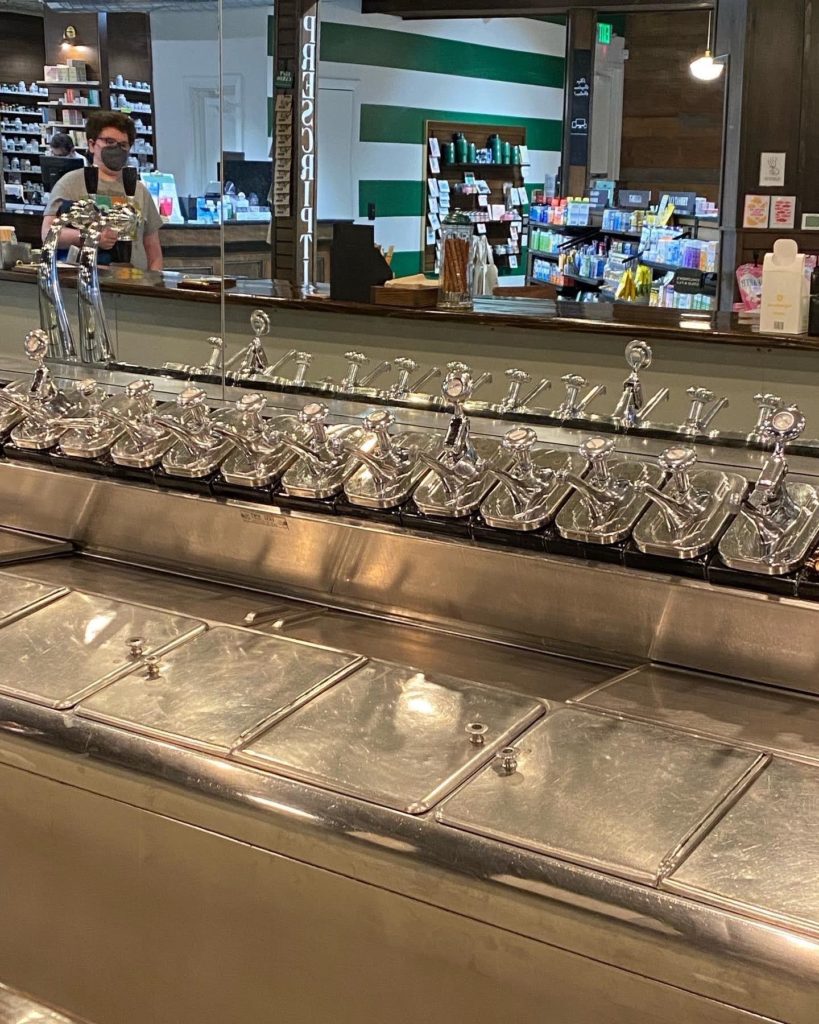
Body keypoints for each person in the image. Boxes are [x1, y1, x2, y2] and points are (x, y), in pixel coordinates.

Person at [41, 111, 163, 271]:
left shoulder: (139, 190)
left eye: (123, 145)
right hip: (86, 283)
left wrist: (154, 286)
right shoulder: (70, 184)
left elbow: (153, 250)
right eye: (109, 141)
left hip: (134, 286)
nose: (116, 149)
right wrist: (92, 237)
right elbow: (48, 233)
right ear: (92, 145)